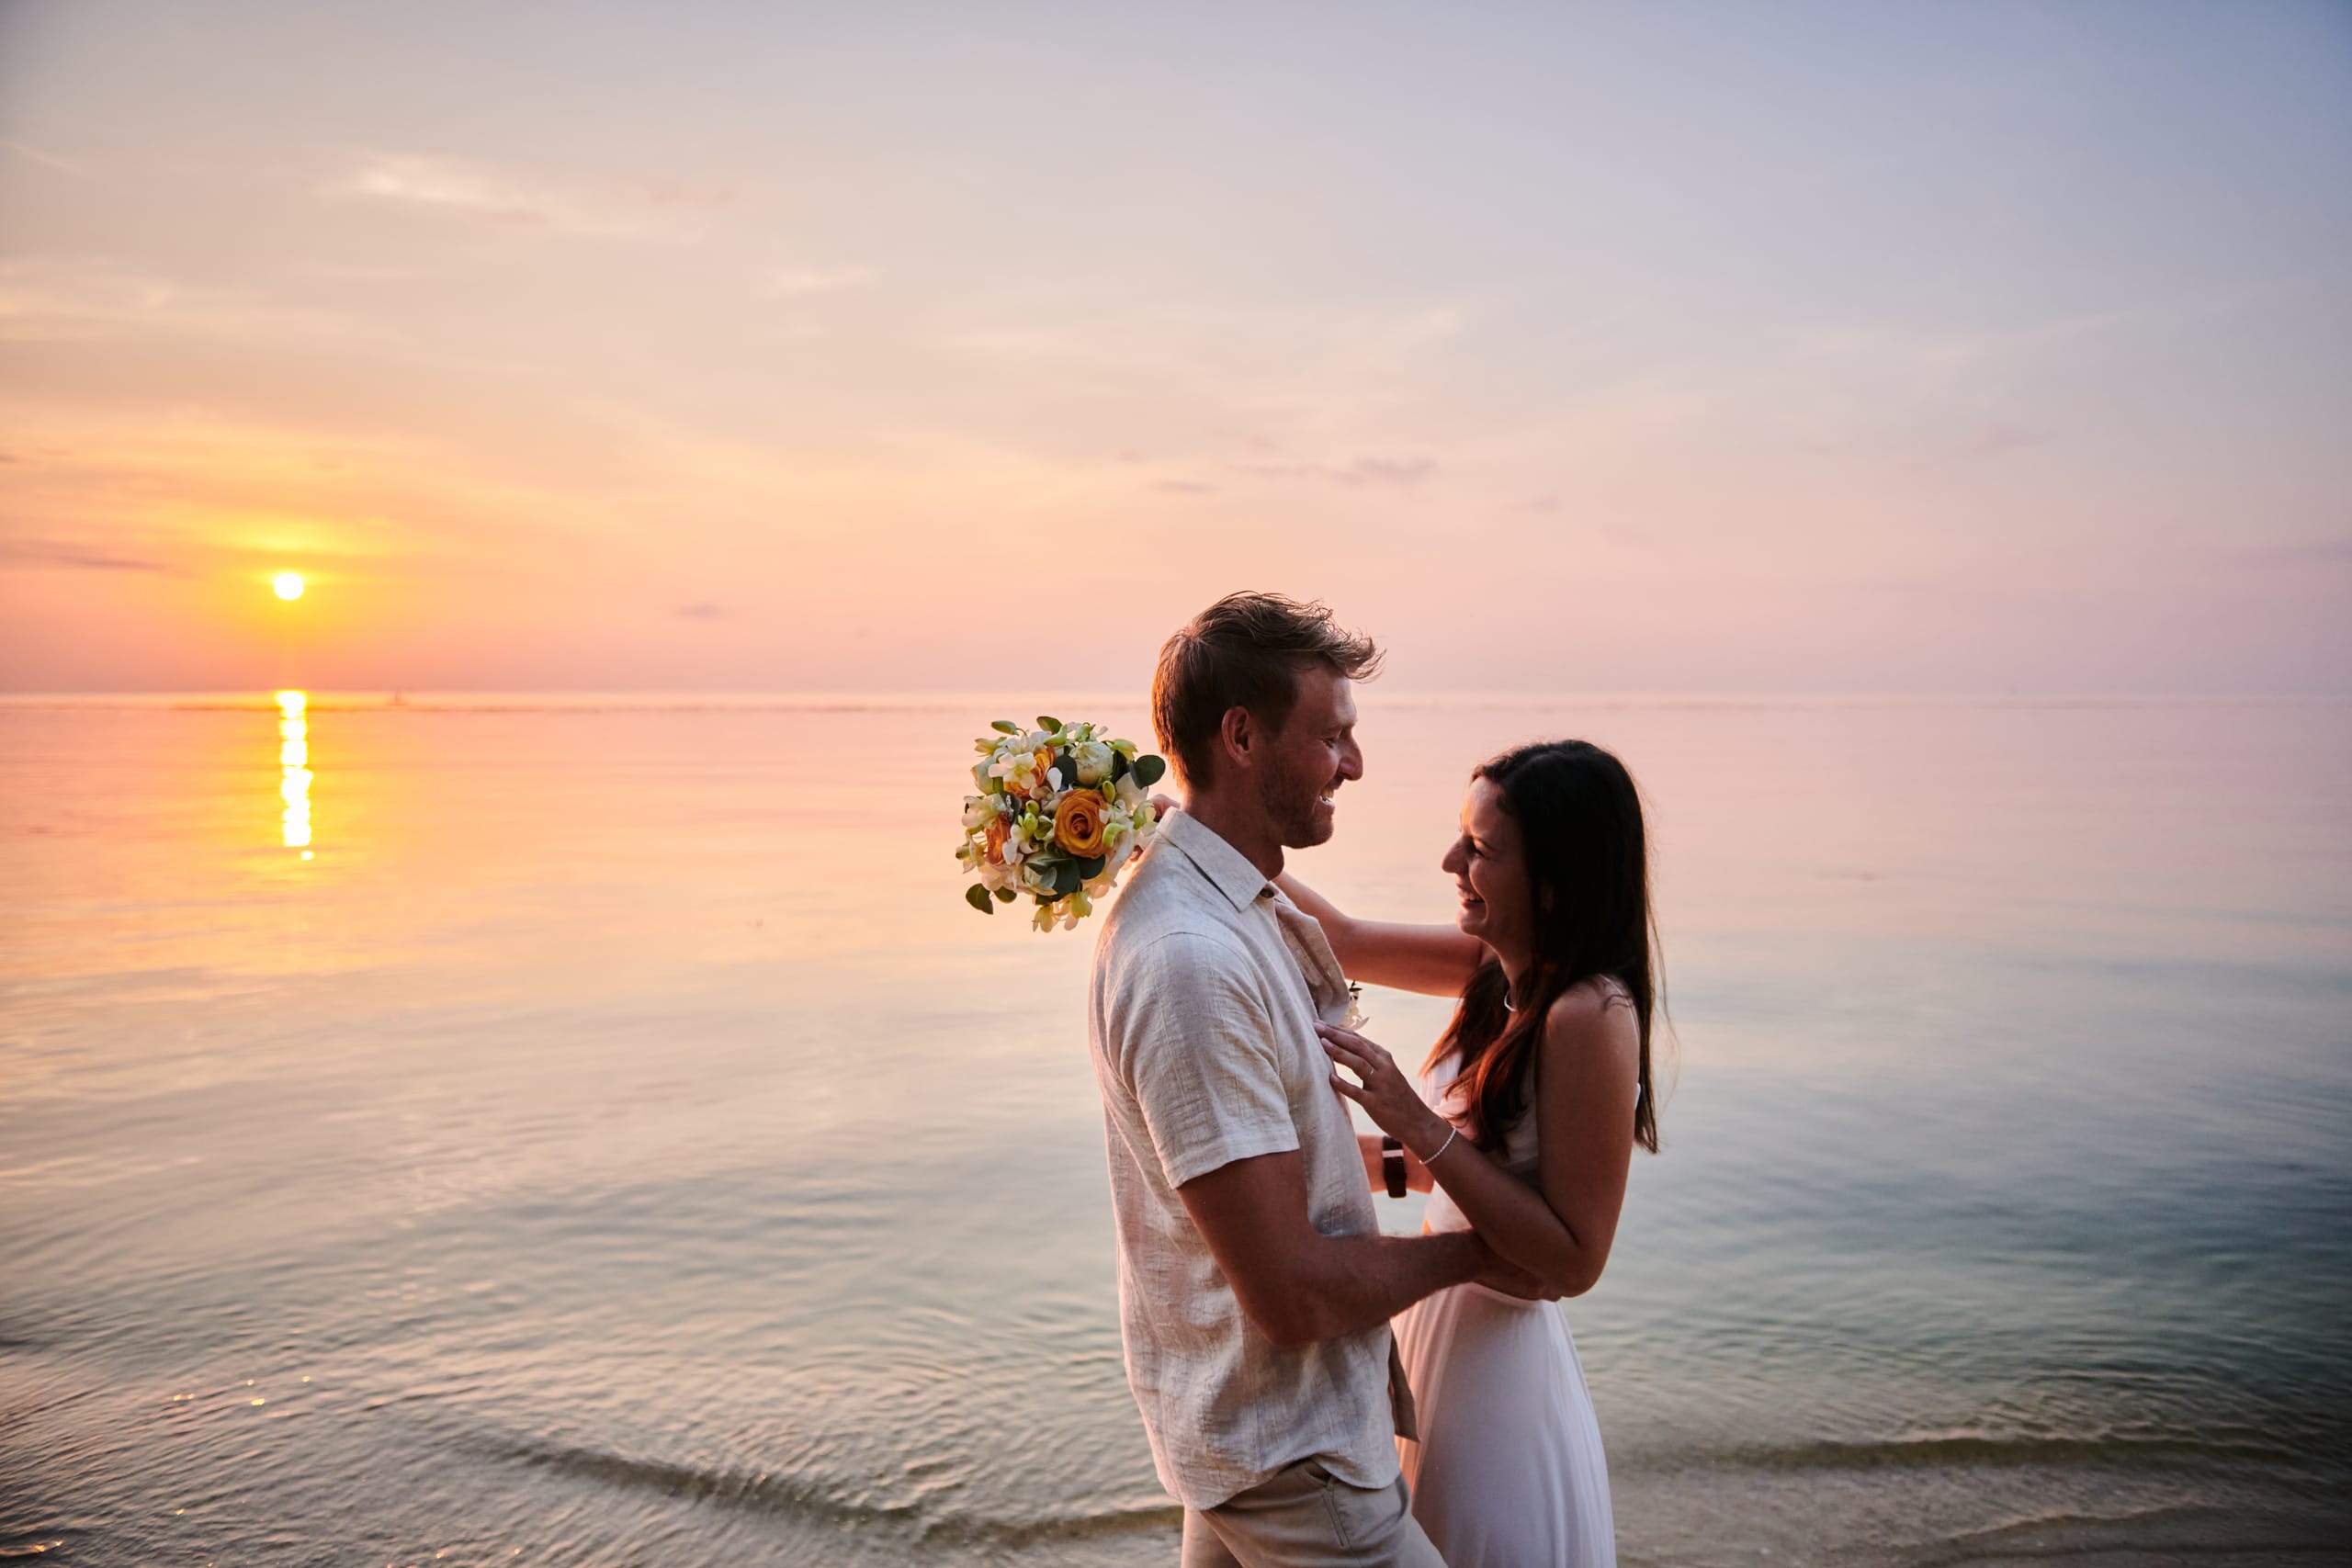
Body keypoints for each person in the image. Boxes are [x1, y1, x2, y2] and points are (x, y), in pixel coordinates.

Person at [1089, 592, 1547, 1568]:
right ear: (1241, 737)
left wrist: (1409, 1166)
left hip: (1247, 1439)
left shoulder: (1231, 901)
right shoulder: (1191, 961)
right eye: (1331, 736)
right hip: (1293, 1460)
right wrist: (1482, 1252)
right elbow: (1292, 1296)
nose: (1355, 764)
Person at [1282, 739, 1663, 1568]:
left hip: (1501, 1375)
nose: (1451, 861)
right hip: (1435, 1319)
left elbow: (1575, 1256)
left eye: (1481, 849)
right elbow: (1337, 937)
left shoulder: (1590, 1014)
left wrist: (1417, 1122)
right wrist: (1188, 833)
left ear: (1552, 880)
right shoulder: (1497, 968)